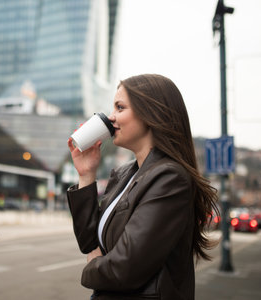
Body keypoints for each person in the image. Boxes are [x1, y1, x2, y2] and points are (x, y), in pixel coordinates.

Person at [67, 74, 218, 299]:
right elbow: (89, 242)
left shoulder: (170, 178)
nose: (111, 117)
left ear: (150, 113)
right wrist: (87, 175)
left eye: (120, 108)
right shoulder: (125, 173)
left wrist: (93, 267)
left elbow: (124, 268)